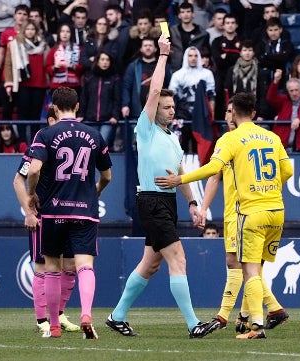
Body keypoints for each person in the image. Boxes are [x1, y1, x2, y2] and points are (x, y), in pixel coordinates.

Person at [154, 91, 294, 340]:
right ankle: (252, 314)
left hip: (248, 212)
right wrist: (268, 188)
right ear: (253, 112)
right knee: (253, 267)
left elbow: (213, 169)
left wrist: (180, 179)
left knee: (249, 269)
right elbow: (287, 172)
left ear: (234, 113)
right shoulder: (272, 137)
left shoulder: (231, 139)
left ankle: (256, 325)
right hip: (276, 211)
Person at [105, 34, 211, 339]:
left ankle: (117, 316)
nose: (171, 110)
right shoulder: (146, 128)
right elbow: (153, 89)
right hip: (151, 200)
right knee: (178, 258)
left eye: (172, 106)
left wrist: (192, 203)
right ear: (154, 109)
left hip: (167, 202)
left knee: (150, 265)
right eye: (165, 106)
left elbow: (179, 172)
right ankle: (193, 325)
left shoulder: (170, 138)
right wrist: (163, 56)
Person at [196, 98, 289, 336]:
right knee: (244, 264)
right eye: (225, 111)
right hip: (235, 211)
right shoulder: (227, 142)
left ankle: (233, 314)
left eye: (230, 111)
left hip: (245, 211)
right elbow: (214, 177)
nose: (228, 115)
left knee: (242, 264)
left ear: (236, 114)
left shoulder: (239, 141)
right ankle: (247, 315)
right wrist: (204, 207)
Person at [26, 86, 112, 339]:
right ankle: (86, 313)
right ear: (77, 107)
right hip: (85, 210)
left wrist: (32, 195)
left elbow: (32, 171)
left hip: (53, 211)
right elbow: (107, 175)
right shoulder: (94, 135)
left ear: (53, 107)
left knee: (51, 268)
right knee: (85, 266)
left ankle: (53, 326)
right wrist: (95, 191)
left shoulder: (46, 133)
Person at [12, 106, 81, 335]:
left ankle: (59, 314)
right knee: (44, 266)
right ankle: (42, 319)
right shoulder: (39, 145)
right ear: (52, 120)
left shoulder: (73, 143)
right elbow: (18, 181)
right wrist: (29, 213)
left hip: (69, 213)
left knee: (70, 266)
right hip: (45, 216)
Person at [3, 19, 48, 142]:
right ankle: (22, 142)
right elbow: (8, 64)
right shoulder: (15, 44)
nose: (30, 31)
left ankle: (35, 141)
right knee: (22, 114)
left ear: (36, 30)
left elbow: (47, 63)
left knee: (35, 115)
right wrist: (8, 83)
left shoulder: (43, 44)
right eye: (27, 29)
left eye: (32, 29)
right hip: (23, 84)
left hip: (40, 84)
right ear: (23, 30)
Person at [168, 46, 215, 154]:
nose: (193, 58)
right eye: (190, 55)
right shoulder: (177, 75)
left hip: (201, 117)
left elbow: (212, 96)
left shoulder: (207, 74)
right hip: (182, 116)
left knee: (199, 149)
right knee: (180, 148)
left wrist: (211, 115)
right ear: (185, 57)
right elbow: (171, 98)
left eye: (195, 55)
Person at [266, 70, 300, 152]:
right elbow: (270, 98)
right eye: (291, 91)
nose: (294, 93)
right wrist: (275, 81)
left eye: (296, 90)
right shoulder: (283, 100)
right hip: (281, 145)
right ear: (288, 91)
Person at [78, 51, 120, 147]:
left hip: (107, 120)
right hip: (91, 120)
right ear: (97, 61)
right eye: (102, 59)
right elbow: (84, 97)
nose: (105, 62)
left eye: (107, 60)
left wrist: (115, 115)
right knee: (91, 146)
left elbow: (117, 99)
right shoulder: (89, 77)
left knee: (101, 145)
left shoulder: (114, 78)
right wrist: (81, 114)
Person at [168, 2, 210, 71]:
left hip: (196, 71)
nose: (185, 14)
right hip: (176, 69)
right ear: (179, 15)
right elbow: (163, 42)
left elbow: (207, 53)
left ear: (193, 14)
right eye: (182, 12)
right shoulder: (172, 31)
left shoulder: (203, 33)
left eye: (188, 11)